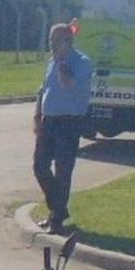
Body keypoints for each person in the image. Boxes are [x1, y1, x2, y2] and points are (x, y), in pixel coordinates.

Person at [33, 23, 94, 235]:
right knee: (39, 166)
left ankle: (56, 218)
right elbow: (43, 90)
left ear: (68, 41)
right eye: (50, 40)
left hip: (70, 121)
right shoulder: (51, 63)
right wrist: (37, 116)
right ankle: (58, 208)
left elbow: (68, 83)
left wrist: (62, 61)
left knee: (63, 169)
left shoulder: (82, 63)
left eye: (56, 40)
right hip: (49, 120)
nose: (51, 45)